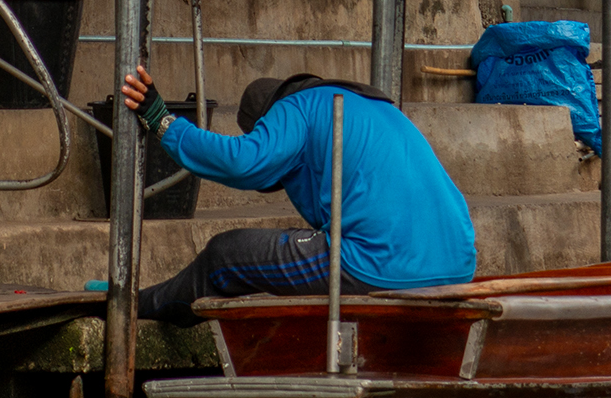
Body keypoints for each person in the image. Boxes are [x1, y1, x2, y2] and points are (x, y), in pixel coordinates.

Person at [123, 66, 477, 322]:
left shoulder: (292, 107)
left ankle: (137, 306)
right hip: (458, 266)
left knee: (224, 256)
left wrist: (163, 121)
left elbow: (243, 162)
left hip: (378, 263)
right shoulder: (371, 105)